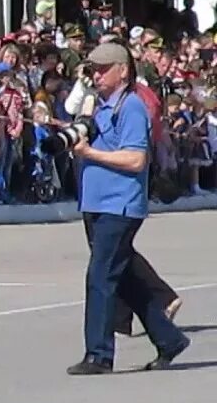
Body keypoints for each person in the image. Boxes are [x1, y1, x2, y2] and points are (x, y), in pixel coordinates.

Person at [67, 43, 189, 376]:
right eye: (93, 68)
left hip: (118, 204)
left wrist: (89, 154)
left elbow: (136, 159)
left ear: (123, 70)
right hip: (96, 202)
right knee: (124, 279)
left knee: (100, 276)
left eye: (103, 68)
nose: (96, 74)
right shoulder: (102, 107)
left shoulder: (131, 106)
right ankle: (169, 340)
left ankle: (99, 354)